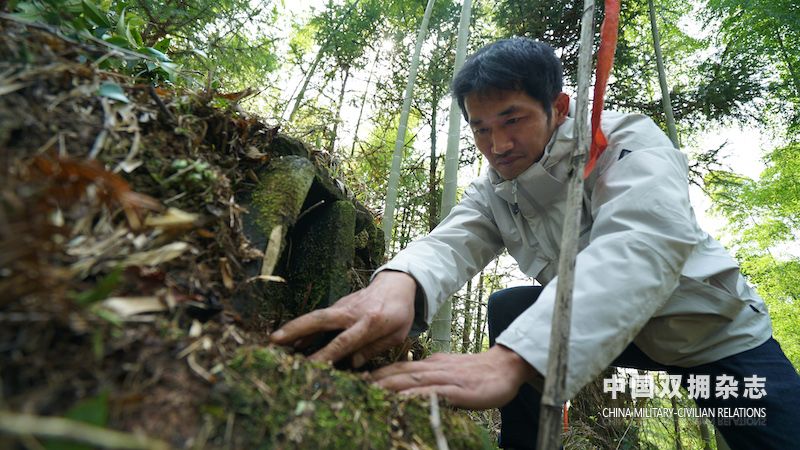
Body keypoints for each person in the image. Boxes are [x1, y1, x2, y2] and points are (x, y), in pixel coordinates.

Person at [270, 38, 800, 449]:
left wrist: (514, 358)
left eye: (513, 119)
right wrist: (396, 283)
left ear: (559, 106)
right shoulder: (496, 186)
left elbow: (643, 243)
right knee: (508, 305)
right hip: (620, 342)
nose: (497, 145)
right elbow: (451, 241)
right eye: (479, 128)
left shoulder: (622, 141)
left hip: (715, 337)